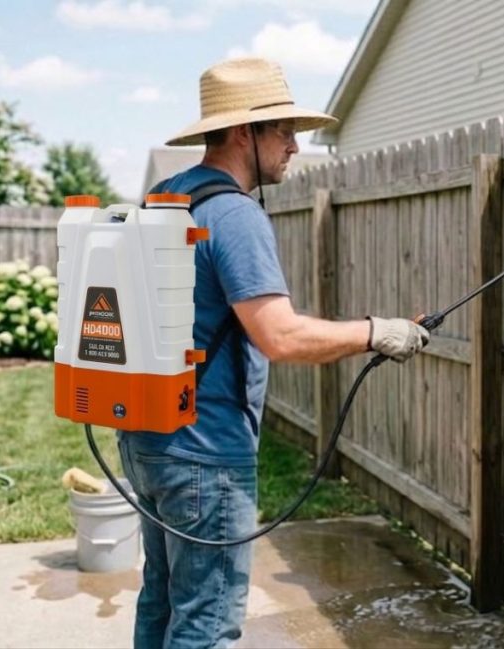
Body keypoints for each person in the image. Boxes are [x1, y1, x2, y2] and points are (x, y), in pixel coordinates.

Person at [116, 57, 430, 649]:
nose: (294, 144)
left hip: (147, 439)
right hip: (204, 455)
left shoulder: (168, 194)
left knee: (161, 601)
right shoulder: (234, 214)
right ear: (243, 132)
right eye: (283, 130)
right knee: (206, 624)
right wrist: (375, 331)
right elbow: (279, 337)